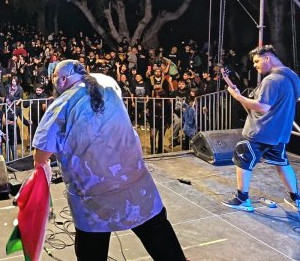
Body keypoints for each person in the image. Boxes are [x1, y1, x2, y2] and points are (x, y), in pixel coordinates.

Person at [32, 60, 186, 261]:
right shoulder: (107, 83)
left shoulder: (61, 105)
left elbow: (40, 156)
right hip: (135, 182)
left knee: (92, 248)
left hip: (92, 193)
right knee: (158, 234)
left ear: (62, 79)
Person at [221, 45, 300, 213]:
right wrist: (242, 96)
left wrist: (237, 96)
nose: (255, 65)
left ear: (267, 58)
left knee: (242, 156)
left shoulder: (271, 80)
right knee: (282, 162)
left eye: (257, 61)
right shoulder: (292, 76)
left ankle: (242, 199)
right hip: (280, 133)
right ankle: (296, 199)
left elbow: (262, 107)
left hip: (260, 131)